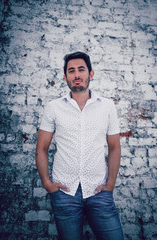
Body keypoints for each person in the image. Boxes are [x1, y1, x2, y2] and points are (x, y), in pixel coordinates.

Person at [36, 51, 124, 240]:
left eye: (81, 70)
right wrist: (47, 183)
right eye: (71, 71)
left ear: (91, 74)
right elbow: (42, 147)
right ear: (65, 76)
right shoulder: (54, 107)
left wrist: (110, 184)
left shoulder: (107, 106)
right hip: (64, 193)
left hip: (99, 191)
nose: (76, 75)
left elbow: (114, 147)